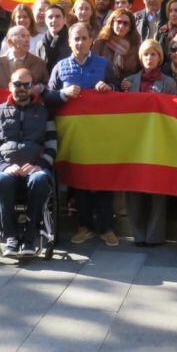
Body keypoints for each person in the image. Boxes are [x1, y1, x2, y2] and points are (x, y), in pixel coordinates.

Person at [46, 23, 119, 246]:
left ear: (91, 41)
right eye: (75, 39)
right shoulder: (60, 66)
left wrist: (109, 88)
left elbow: (117, 88)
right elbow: (48, 97)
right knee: (79, 181)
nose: (79, 42)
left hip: (100, 134)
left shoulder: (103, 64)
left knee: (103, 180)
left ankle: (106, 227)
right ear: (69, 42)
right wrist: (62, 94)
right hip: (74, 136)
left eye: (83, 38)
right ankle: (85, 225)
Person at [0, 68, 58, 252]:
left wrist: (38, 166)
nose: (22, 88)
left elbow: (52, 145)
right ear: (10, 86)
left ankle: (29, 237)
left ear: (32, 87)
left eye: (26, 85)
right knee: (1, 180)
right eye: (17, 84)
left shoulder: (44, 112)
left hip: (34, 169)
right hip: (6, 169)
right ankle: (10, 236)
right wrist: (3, 166)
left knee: (40, 180)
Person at [122, 40, 177, 247]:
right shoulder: (128, 82)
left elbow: (175, 113)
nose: (149, 58)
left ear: (160, 57)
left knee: (157, 190)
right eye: (146, 54)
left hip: (158, 143)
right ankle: (138, 234)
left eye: (154, 54)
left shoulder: (169, 83)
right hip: (134, 143)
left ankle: (155, 235)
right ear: (140, 57)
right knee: (134, 188)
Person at [0, 25, 48, 92]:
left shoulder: (39, 63)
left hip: (28, 102)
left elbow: (48, 86)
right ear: (10, 42)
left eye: (28, 36)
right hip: (2, 101)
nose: (27, 40)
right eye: (23, 36)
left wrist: (40, 88)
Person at [94, 7, 142, 81]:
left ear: (130, 27)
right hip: (103, 84)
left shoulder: (135, 45)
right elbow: (93, 66)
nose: (121, 26)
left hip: (127, 85)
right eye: (118, 22)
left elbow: (139, 71)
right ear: (112, 23)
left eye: (125, 23)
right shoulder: (100, 43)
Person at [40, 4, 71, 71]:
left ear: (64, 19)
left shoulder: (72, 41)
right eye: (50, 17)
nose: (54, 20)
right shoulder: (41, 44)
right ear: (45, 20)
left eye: (58, 16)